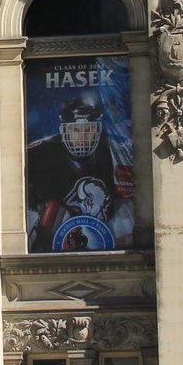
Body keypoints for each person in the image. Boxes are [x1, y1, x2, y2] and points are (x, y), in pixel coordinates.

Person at [26, 96, 126, 253]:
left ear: (97, 130)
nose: (82, 136)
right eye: (75, 130)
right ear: (63, 129)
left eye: (88, 129)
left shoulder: (113, 152)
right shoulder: (40, 154)